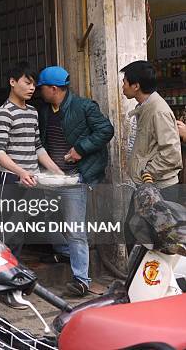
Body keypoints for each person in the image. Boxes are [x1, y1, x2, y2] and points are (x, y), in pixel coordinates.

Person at [0, 61, 64, 309]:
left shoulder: (32, 112)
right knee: (8, 236)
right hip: (11, 180)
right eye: (27, 82)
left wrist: (55, 170)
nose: (32, 88)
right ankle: (6, 289)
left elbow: (36, 147)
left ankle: (14, 285)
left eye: (34, 84)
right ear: (13, 82)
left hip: (30, 180)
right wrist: (21, 171)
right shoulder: (4, 113)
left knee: (20, 236)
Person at [37, 66, 114, 297]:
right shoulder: (43, 110)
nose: (38, 91)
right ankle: (64, 251)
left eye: (41, 87)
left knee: (75, 228)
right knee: (47, 217)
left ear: (53, 89)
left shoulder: (84, 106)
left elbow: (106, 130)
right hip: (51, 176)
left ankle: (81, 279)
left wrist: (81, 148)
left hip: (75, 176)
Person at [121, 61, 182, 192]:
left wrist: (147, 173)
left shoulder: (158, 111)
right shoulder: (145, 107)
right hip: (149, 186)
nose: (123, 87)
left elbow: (172, 155)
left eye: (124, 82)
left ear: (136, 86)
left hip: (161, 188)